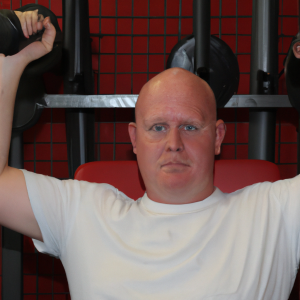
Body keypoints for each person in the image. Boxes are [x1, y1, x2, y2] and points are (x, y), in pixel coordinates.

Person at [1, 15, 300, 300]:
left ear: (218, 137)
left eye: (190, 127)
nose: (174, 143)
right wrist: (13, 61)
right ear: (134, 138)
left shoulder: (276, 214)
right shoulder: (81, 212)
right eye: (158, 127)